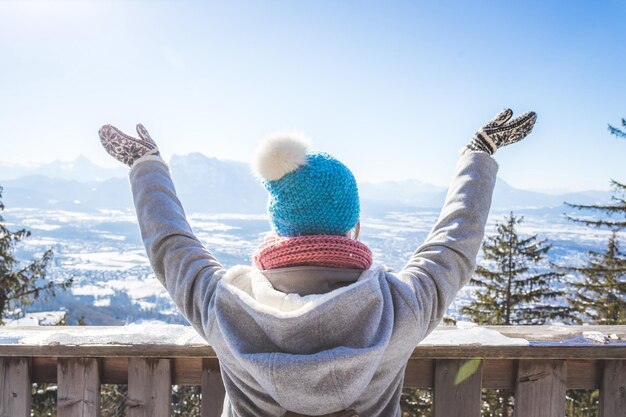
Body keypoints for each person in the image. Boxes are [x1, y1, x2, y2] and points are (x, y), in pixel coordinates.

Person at [98, 108, 537, 417]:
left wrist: (146, 166)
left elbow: (171, 245)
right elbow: (454, 244)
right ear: (355, 227)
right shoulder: (400, 306)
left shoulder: (227, 304)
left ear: (280, 228)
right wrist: (478, 155)